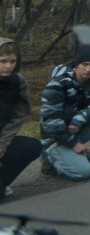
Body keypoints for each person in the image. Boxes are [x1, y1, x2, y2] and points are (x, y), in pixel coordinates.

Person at [39, 45, 90, 180]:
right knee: (82, 173)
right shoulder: (57, 84)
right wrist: (73, 144)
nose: (88, 69)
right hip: (56, 137)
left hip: (77, 129)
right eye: (85, 64)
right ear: (77, 64)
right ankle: (49, 156)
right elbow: (51, 123)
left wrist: (80, 118)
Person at [0, 38, 42, 202]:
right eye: (3, 61)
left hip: (2, 137)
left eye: (12, 61)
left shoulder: (18, 81)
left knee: (32, 146)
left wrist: (2, 145)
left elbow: (19, 115)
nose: (8, 66)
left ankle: (3, 182)